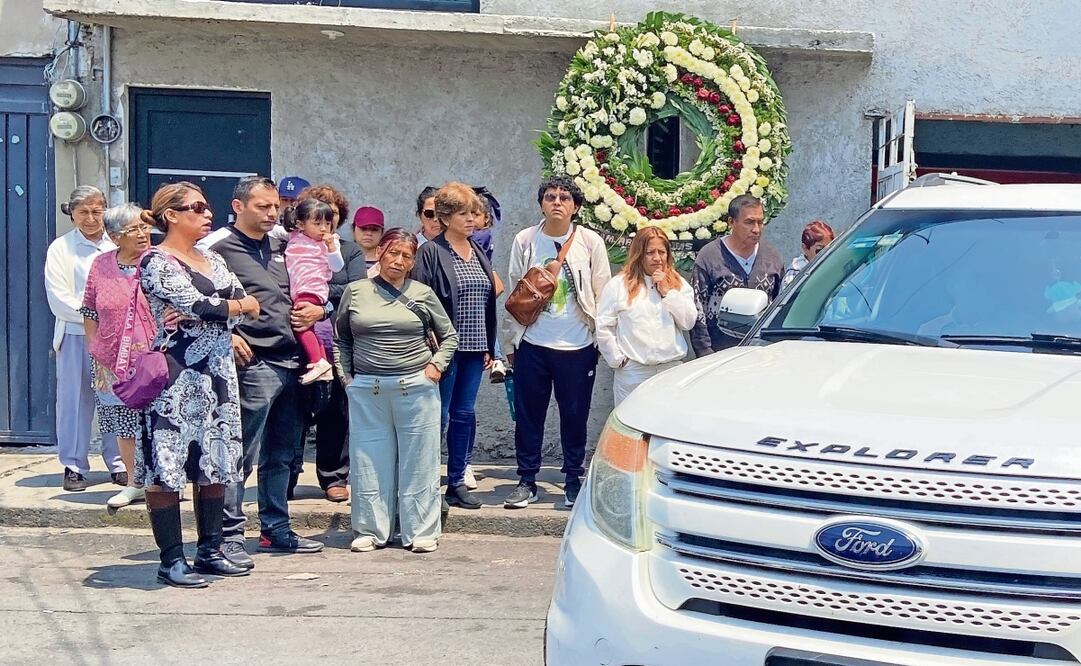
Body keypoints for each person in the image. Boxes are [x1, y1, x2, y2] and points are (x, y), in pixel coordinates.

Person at [138, 181, 257, 587]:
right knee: (168, 464)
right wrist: (220, 309)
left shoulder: (210, 258)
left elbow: (242, 305)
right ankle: (171, 559)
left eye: (208, 208)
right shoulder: (156, 261)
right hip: (175, 376)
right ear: (171, 214)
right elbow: (201, 304)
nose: (208, 214)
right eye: (198, 208)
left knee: (216, 460)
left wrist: (224, 310)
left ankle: (210, 549)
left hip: (218, 374)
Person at [211, 176, 326, 568]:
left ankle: (274, 529)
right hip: (252, 364)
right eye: (262, 206)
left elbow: (329, 280)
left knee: (282, 454)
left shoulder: (286, 242)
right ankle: (228, 537)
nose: (272, 213)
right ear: (238, 206)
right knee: (240, 454)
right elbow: (188, 298)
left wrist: (320, 310)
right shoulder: (216, 247)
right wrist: (225, 336)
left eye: (275, 206)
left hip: (293, 361)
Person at [336, 228, 459, 553]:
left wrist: (435, 368)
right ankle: (370, 531)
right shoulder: (356, 291)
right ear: (381, 252)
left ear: (412, 261)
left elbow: (449, 336)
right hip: (368, 391)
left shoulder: (422, 293)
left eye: (406, 256)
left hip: (415, 389)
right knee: (368, 462)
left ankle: (421, 532)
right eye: (393, 252)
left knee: (419, 463)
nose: (398, 260)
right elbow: (342, 339)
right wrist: (347, 378)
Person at [501, 175, 612, 510]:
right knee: (528, 414)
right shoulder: (525, 240)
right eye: (551, 197)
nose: (557, 202)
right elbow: (514, 290)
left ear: (576, 206)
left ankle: (572, 479)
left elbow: (602, 291)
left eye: (565, 198)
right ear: (541, 204)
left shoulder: (590, 242)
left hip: (577, 346)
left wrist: (600, 340)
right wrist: (510, 344)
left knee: (574, 415)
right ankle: (527, 480)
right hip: (532, 342)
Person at [412, 183, 497, 510]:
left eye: (474, 213)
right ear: (445, 217)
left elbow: (487, 298)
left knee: (464, 414)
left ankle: (457, 481)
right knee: (438, 415)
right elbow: (419, 300)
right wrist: (428, 344)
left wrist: (489, 344)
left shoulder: (476, 250)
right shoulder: (431, 252)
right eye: (464, 213)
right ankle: (427, 484)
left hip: (475, 348)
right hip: (442, 350)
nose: (471, 219)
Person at [44, 186, 124, 492]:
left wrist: (113, 319)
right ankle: (73, 465)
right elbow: (58, 298)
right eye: (83, 212)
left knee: (116, 399)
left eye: (97, 211)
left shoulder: (115, 245)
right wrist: (97, 315)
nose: (91, 218)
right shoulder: (61, 248)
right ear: (72, 214)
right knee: (74, 401)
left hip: (115, 336)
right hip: (77, 333)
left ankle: (119, 462)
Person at [80, 203, 155, 509]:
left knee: (159, 420)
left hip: (154, 357)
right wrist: (94, 347)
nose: (142, 235)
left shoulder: (158, 261)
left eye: (144, 227)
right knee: (123, 423)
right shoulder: (101, 265)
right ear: (113, 236)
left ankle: (164, 479)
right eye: (133, 230)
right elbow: (89, 309)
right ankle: (135, 482)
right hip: (110, 358)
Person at [294, 185, 361, 502]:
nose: (324, 222)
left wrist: (323, 306)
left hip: (335, 337)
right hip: (295, 333)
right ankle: (288, 474)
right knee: (293, 409)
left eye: (330, 213)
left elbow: (356, 288)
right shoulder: (292, 245)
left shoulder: (348, 251)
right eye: (318, 214)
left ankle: (334, 476)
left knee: (336, 409)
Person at [596, 227, 697, 405]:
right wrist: (618, 360)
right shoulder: (618, 285)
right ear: (639, 254)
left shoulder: (678, 284)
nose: (657, 258)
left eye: (662, 252)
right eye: (650, 252)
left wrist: (667, 292)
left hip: (670, 369)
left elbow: (688, 322)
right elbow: (604, 326)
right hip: (634, 372)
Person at [690, 194, 784, 356]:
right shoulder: (710, 257)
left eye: (760, 222)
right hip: (719, 355)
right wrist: (705, 354)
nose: (756, 229)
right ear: (731, 222)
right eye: (749, 222)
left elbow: (779, 307)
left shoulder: (772, 258)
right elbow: (698, 311)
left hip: (762, 355)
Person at [283, 199, 344, 384]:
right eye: (317, 224)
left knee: (300, 326)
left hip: (312, 290)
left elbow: (337, 266)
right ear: (301, 224)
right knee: (309, 327)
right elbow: (275, 229)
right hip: (299, 289)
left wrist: (332, 247)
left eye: (327, 223)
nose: (323, 228)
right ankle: (323, 363)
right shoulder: (294, 236)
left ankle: (317, 361)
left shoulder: (331, 242)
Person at [782, 219, 835, 288]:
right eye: (819, 250)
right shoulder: (795, 277)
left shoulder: (834, 264)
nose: (826, 254)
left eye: (829, 249)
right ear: (805, 248)